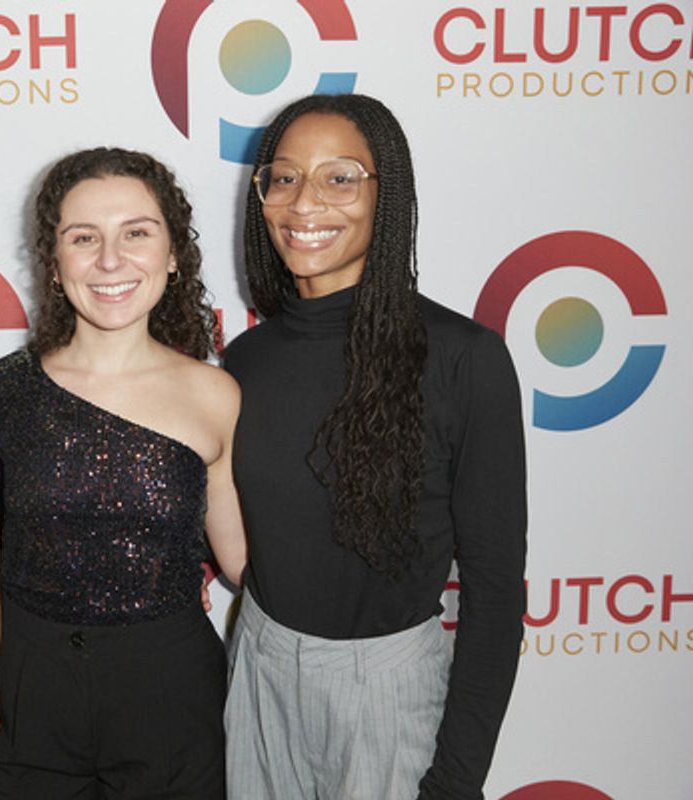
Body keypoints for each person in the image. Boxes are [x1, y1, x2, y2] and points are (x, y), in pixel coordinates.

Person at [222, 93, 527, 800]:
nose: (304, 203)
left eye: (340, 177)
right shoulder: (244, 362)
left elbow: (495, 590)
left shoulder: (464, 357)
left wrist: (456, 779)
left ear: (386, 193)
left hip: (391, 696)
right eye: (285, 176)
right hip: (260, 672)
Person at [0, 147, 247, 799]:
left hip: (171, 701)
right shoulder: (1, 390)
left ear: (174, 253)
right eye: (83, 238)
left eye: (136, 234)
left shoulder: (217, 395)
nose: (109, 260)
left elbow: (243, 565)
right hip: (24, 704)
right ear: (56, 258)